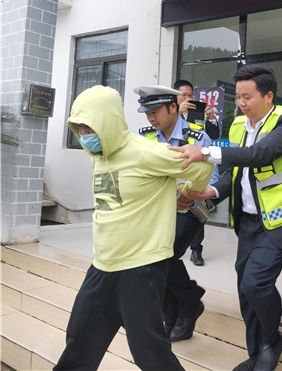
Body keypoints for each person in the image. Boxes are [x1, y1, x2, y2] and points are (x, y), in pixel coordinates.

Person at [54, 85, 214, 370]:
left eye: (90, 127)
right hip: (103, 264)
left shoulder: (145, 151)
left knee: (150, 355)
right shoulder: (99, 155)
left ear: (107, 122)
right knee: (79, 344)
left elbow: (202, 167)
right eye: (80, 128)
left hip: (140, 268)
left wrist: (187, 192)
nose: (85, 135)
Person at [169, 64, 282, 371]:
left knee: (256, 284)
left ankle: (272, 340)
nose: (241, 103)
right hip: (248, 221)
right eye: (238, 97)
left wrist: (205, 152)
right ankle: (255, 353)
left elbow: (259, 155)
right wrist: (209, 193)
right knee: (245, 289)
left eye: (247, 97)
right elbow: (236, 171)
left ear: (268, 96)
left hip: (280, 221)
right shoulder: (238, 126)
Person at [134, 85, 220, 342]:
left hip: (189, 209)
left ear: (173, 108)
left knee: (164, 253)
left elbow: (213, 178)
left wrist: (187, 193)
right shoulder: (143, 137)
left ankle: (191, 300)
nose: (150, 118)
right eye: (147, 113)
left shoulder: (197, 137)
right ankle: (171, 316)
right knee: (152, 259)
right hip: (155, 209)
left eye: (155, 112)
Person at [173, 79, 222, 266]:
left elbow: (213, 136)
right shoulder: (171, 115)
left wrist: (211, 118)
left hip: (197, 166)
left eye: (190, 95)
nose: (188, 98)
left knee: (196, 207)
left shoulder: (198, 114)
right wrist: (179, 113)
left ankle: (196, 250)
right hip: (177, 166)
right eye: (183, 95)